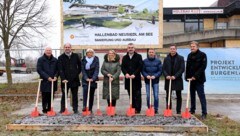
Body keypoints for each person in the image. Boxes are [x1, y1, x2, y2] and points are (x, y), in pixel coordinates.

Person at [186, 41, 207, 120]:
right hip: (191, 80)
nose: (192, 48)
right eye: (191, 46)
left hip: (199, 80)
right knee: (192, 96)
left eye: (193, 46)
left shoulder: (202, 55)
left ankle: (204, 113)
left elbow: (203, 67)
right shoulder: (189, 55)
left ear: (197, 47)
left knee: (201, 96)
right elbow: (187, 67)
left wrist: (195, 76)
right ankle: (192, 110)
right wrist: (187, 77)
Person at [58, 43, 81, 114]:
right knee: (64, 95)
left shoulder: (76, 56)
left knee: (75, 95)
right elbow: (60, 69)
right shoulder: (61, 57)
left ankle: (75, 109)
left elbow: (80, 66)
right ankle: (62, 109)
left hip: (74, 80)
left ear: (71, 48)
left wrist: (76, 74)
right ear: (64, 48)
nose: (67, 48)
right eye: (66, 47)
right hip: (65, 80)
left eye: (68, 47)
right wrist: (63, 78)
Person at [162, 44, 185, 114]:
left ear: (176, 49)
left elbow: (182, 69)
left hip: (177, 79)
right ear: (170, 50)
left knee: (178, 95)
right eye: (171, 49)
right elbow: (163, 69)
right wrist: (166, 76)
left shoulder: (181, 58)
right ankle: (169, 109)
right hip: (168, 79)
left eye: (174, 49)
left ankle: (178, 111)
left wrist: (175, 76)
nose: (172, 50)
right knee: (168, 95)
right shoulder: (166, 59)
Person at [121, 43, 143, 113]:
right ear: (127, 49)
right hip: (128, 79)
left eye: (132, 47)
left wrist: (134, 74)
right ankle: (133, 108)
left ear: (134, 48)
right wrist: (126, 73)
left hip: (136, 79)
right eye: (129, 47)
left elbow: (140, 66)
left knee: (138, 95)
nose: (130, 49)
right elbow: (122, 67)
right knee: (131, 95)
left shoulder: (139, 56)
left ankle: (138, 109)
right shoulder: (125, 57)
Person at [37, 47, 58, 114]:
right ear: (45, 51)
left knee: (51, 96)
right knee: (45, 96)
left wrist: (56, 76)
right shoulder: (41, 60)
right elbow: (39, 70)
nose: (48, 52)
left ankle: (50, 109)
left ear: (51, 51)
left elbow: (58, 70)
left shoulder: (55, 60)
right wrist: (47, 77)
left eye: (49, 50)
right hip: (44, 81)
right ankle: (44, 109)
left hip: (53, 81)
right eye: (47, 50)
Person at [142, 49, 162, 114]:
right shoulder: (144, 61)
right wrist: (146, 75)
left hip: (155, 81)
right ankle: (149, 108)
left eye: (152, 52)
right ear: (148, 53)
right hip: (147, 81)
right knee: (148, 95)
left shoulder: (158, 61)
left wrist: (155, 76)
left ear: (154, 53)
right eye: (150, 52)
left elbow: (160, 71)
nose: (151, 53)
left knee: (156, 95)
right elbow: (143, 70)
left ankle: (156, 109)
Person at [81, 48, 99, 113]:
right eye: (88, 52)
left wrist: (93, 78)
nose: (90, 54)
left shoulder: (96, 60)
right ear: (86, 53)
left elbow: (96, 70)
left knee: (91, 94)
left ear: (93, 53)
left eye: (91, 52)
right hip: (85, 80)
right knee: (85, 93)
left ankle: (90, 108)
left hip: (93, 80)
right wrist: (86, 78)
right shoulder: (83, 60)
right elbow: (83, 70)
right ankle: (85, 106)